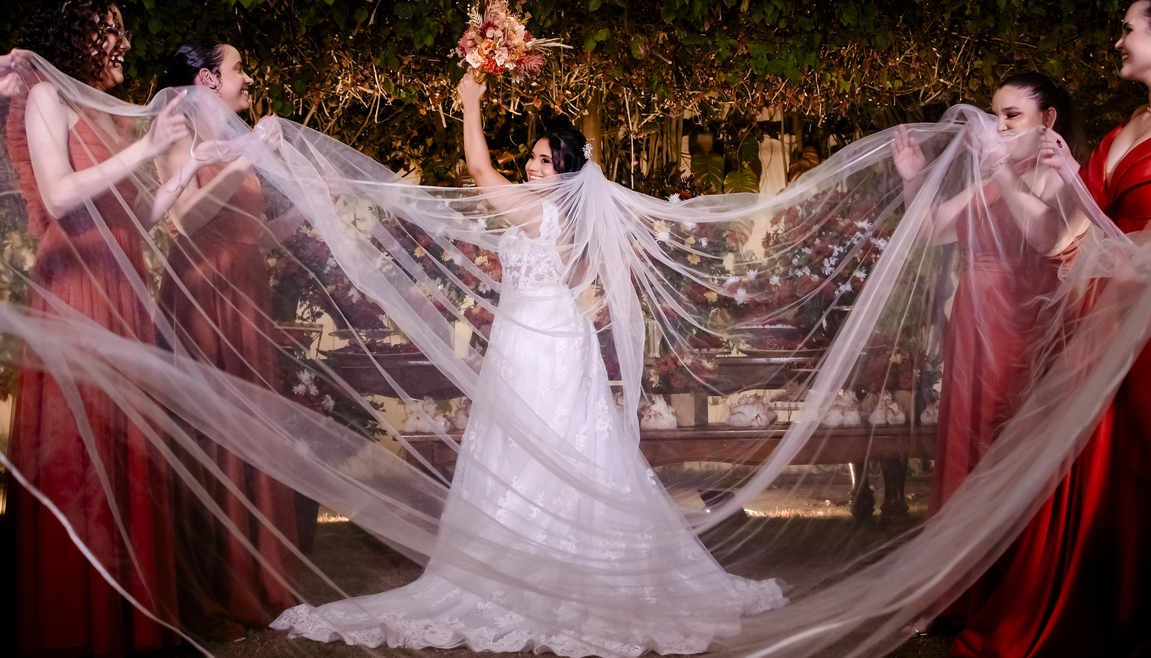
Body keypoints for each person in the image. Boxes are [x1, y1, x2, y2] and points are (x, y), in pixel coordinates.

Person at [270, 74, 786, 656]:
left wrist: (470, 104)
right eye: (535, 158)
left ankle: (533, 567)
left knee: (542, 450)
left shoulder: (541, 215)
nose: (534, 166)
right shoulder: (556, 218)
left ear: (566, 173)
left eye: (545, 161)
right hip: (545, 340)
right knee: (547, 452)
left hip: (540, 347)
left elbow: (479, 172)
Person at [952, 0, 1151, 657]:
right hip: (1107, 316)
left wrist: (1103, 231)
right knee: (1092, 471)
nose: (1118, 41)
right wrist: (1049, 176)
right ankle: (1093, 607)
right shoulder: (1121, 134)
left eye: (1127, 29)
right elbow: (1054, 238)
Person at [4, 0, 220, 656]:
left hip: (121, 291)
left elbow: (136, 218)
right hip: (75, 291)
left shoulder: (102, 108)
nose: (120, 43)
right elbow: (63, 191)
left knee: (124, 455)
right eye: (108, 31)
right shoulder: (46, 98)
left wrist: (187, 172)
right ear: (75, 37)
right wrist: (146, 147)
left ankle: (123, 625)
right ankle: (74, 624)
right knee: (79, 454)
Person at [155, 39, 303, 641]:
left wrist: (309, 214)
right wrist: (244, 160)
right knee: (208, 438)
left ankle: (257, 584)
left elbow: (254, 239)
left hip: (246, 298)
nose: (248, 77)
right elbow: (183, 219)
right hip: (202, 297)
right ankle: (208, 595)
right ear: (210, 80)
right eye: (239, 67)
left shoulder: (236, 138)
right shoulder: (178, 130)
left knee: (250, 437)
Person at [892, 73, 1078, 515]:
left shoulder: (1061, 177)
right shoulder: (993, 180)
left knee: (1006, 430)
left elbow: (1043, 236)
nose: (1000, 127)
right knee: (968, 435)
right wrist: (914, 180)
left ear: (1048, 118)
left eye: (1012, 115)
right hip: (971, 328)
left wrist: (999, 169)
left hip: (1019, 326)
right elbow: (930, 231)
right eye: (997, 116)